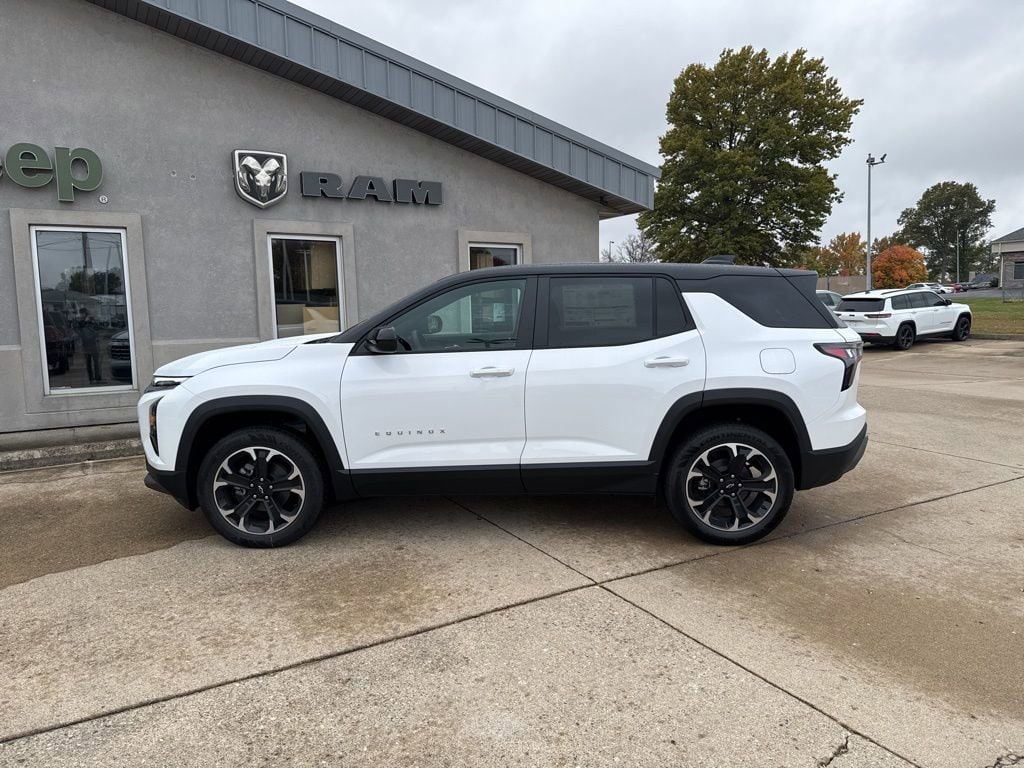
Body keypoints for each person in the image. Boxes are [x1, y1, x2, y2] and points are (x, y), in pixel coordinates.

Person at [77, 307, 101, 383]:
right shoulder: (80, 322)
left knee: (96, 363)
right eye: (80, 314)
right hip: (85, 345)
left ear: (85, 313)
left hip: (93, 344)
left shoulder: (91, 321)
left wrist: (92, 320)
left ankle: (98, 378)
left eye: (82, 313)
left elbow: (98, 328)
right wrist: (86, 321)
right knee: (88, 363)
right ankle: (91, 378)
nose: (81, 315)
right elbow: (80, 327)